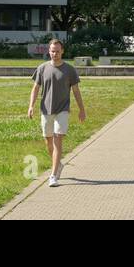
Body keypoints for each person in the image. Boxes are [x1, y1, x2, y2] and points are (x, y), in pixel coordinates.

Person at [27, 38, 86, 185]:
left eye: (58, 51)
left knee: (58, 139)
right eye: (53, 51)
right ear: (49, 51)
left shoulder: (69, 70)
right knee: (48, 140)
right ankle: (58, 164)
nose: (55, 54)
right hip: (46, 109)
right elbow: (35, 88)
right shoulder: (42, 68)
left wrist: (81, 109)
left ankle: (53, 175)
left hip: (63, 110)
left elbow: (76, 91)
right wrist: (31, 106)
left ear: (62, 51)